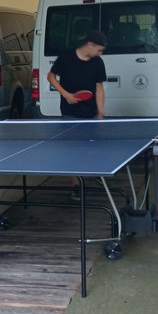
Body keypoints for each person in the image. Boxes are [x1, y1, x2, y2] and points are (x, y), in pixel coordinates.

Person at [46, 30, 107, 200]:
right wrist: (66, 94)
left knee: (91, 148)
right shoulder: (66, 57)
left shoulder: (98, 62)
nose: (100, 53)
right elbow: (51, 76)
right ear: (90, 45)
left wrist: (101, 112)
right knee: (72, 150)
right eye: (99, 50)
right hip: (69, 112)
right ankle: (76, 185)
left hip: (91, 112)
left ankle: (93, 173)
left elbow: (99, 88)